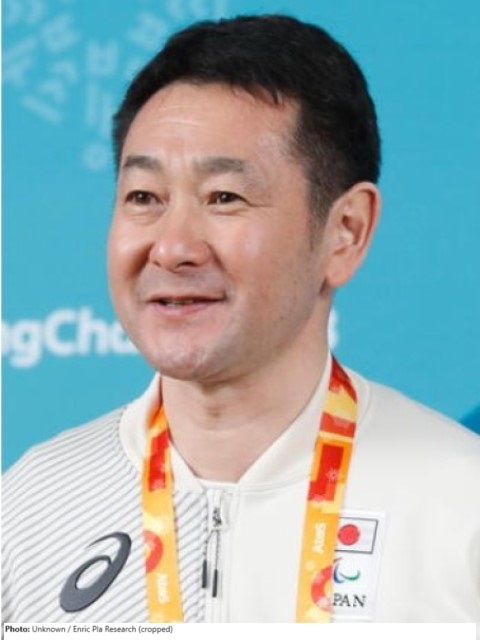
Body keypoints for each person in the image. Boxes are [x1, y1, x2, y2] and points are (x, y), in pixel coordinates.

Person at [3, 14, 479, 624]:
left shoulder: (460, 504)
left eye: (223, 197)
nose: (172, 247)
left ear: (345, 231)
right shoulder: (32, 508)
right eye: (144, 197)